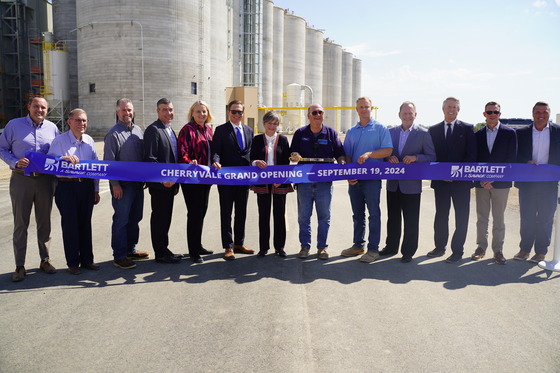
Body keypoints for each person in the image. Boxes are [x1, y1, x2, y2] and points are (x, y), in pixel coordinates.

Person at [0, 97, 59, 282]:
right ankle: (19, 265)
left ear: (47, 110)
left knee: (44, 223)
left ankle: (45, 259)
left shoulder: (52, 129)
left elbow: (57, 153)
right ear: (29, 107)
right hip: (21, 180)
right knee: (20, 224)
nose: (39, 110)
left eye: (43, 107)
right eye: (36, 106)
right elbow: (2, 148)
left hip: (45, 182)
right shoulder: (13, 125)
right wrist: (14, 162)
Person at [380, 101, 436, 263]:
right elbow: (383, 154)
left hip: (412, 185)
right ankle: (391, 247)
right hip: (393, 183)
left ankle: (408, 251)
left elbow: (432, 157)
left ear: (415, 115)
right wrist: (388, 157)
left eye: (410, 113)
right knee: (393, 217)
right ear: (399, 115)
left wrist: (416, 158)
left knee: (411, 220)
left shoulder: (423, 134)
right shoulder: (390, 132)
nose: (407, 116)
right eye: (404, 113)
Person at [47, 109, 100, 275]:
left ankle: (87, 260)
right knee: (70, 225)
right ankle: (73, 262)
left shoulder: (90, 141)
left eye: (84, 120)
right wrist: (61, 160)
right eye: (77, 120)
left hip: (86, 186)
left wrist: (96, 190)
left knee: (85, 224)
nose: (81, 124)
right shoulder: (59, 141)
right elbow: (48, 163)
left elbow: (96, 167)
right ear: (69, 122)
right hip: (66, 186)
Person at [290, 103, 345, 260]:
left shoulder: (331, 133)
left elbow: (340, 153)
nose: (317, 115)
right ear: (308, 116)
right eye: (314, 112)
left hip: (324, 183)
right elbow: (293, 152)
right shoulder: (300, 133)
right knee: (304, 216)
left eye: (320, 112)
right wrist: (294, 155)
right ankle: (304, 246)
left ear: (323, 115)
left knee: (324, 216)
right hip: (304, 182)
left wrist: (341, 162)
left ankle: (322, 248)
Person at [341, 97, 392, 263]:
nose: (364, 109)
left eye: (367, 106)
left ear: (372, 108)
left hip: (372, 180)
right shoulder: (351, 131)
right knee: (357, 215)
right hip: (355, 180)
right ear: (357, 109)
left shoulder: (380, 128)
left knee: (373, 214)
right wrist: (349, 173)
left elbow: (388, 150)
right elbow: (347, 154)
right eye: (361, 107)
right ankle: (358, 246)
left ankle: (373, 249)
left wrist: (370, 154)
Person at [427, 97, 476, 263]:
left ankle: (457, 251)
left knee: (461, 217)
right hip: (441, 182)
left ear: (458, 110)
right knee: (441, 215)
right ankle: (439, 247)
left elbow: (471, 156)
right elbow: (431, 156)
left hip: (461, 183)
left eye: (455, 107)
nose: (451, 110)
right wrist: (442, 174)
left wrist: (454, 174)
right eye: (449, 107)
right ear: (443, 109)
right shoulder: (433, 130)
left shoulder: (468, 129)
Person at [104, 98, 148, 270]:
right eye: (123, 110)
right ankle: (120, 255)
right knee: (121, 219)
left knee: (135, 218)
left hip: (137, 184)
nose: (127, 113)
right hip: (122, 185)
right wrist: (115, 184)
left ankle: (131, 249)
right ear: (117, 112)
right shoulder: (113, 134)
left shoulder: (138, 130)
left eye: (129, 110)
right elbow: (109, 162)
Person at [471, 102, 516, 265]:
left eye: (495, 112)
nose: (492, 114)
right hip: (481, 183)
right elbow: (474, 159)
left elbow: (511, 159)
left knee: (499, 219)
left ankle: (498, 251)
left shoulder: (510, 133)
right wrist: (482, 179)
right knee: (481, 217)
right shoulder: (477, 135)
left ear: (499, 114)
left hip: (501, 184)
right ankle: (480, 248)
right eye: (489, 112)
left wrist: (494, 178)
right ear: (484, 114)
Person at [514, 101, 560, 263]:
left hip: (549, 183)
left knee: (546, 218)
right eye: (538, 112)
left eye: (544, 112)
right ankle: (524, 250)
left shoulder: (558, 132)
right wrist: (526, 161)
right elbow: (515, 156)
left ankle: (541, 252)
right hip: (527, 183)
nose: (541, 115)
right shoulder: (521, 133)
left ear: (549, 113)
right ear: (532, 114)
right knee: (527, 217)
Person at [212, 100, 254, 260]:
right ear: (229, 112)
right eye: (234, 111)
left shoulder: (249, 131)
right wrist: (215, 161)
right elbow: (216, 151)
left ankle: (239, 243)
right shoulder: (221, 130)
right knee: (226, 213)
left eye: (240, 112)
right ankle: (228, 246)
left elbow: (250, 154)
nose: (237, 115)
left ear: (243, 113)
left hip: (244, 179)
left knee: (241, 212)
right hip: (226, 179)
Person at [250, 110, 293, 258]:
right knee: (263, 215)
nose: (272, 126)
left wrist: (280, 179)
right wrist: (256, 162)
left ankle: (279, 247)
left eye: (275, 124)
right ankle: (263, 247)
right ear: (264, 124)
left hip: (279, 182)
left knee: (279, 215)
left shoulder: (282, 140)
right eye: (270, 123)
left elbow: (286, 162)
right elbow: (251, 158)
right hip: (262, 182)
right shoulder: (256, 140)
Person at [144, 98, 181, 264]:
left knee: (166, 218)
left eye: (171, 109)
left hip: (170, 184)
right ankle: (160, 253)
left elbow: (174, 158)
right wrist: (162, 180)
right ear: (158, 111)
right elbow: (150, 159)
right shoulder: (153, 130)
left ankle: (165, 249)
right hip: (160, 185)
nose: (169, 113)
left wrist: (175, 183)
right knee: (159, 218)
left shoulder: (170, 130)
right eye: (165, 110)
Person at [178, 100, 215, 263]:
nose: (202, 114)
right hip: (191, 179)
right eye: (198, 112)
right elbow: (182, 152)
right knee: (194, 213)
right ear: (192, 113)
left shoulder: (208, 129)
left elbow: (214, 151)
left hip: (206, 178)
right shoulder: (187, 129)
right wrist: (189, 162)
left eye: (204, 111)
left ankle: (198, 245)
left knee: (202, 211)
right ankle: (193, 250)